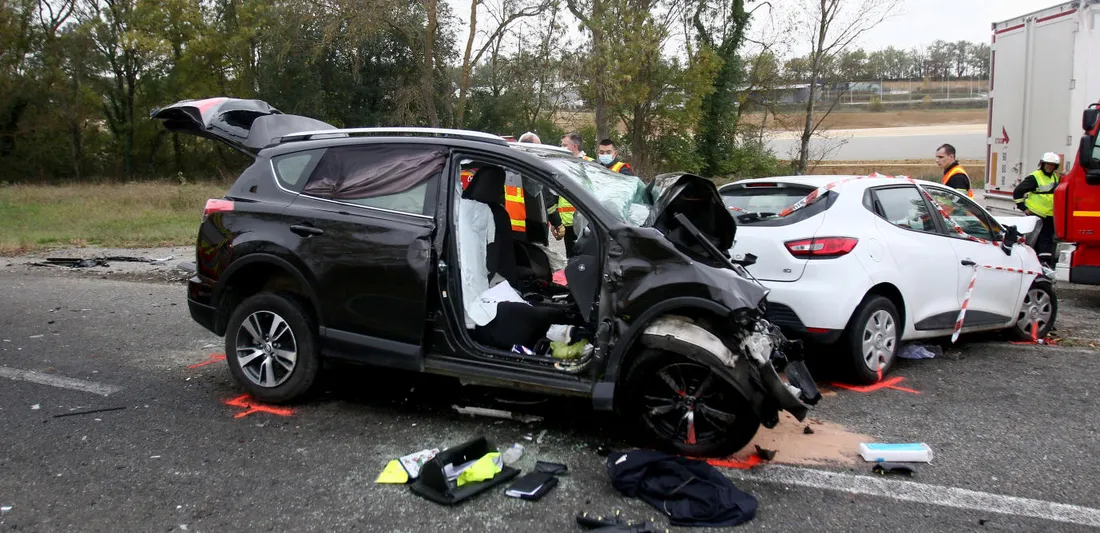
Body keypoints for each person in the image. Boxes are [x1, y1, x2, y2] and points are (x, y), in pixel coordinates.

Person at [1014, 152, 1062, 268]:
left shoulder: (1055, 176)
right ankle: (1039, 263)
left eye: (1052, 165)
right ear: (1042, 164)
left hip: (1049, 214)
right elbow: (1018, 192)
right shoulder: (1035, 177)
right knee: (1037, 240)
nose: (1049, 167)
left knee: (1046, 240)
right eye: (1047, 164)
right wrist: (1023, 207)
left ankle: (1042, 264)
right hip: (1036, 214)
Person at [549, 132, 591, 257]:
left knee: (585, 259)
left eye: (564, 145)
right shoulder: (562, 165)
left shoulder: (588, 164)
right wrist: (554, 222)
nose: (561, 147)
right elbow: (554, 194)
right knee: (571, 259)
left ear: (574, 146)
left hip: (584, 222)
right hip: (566, 222)